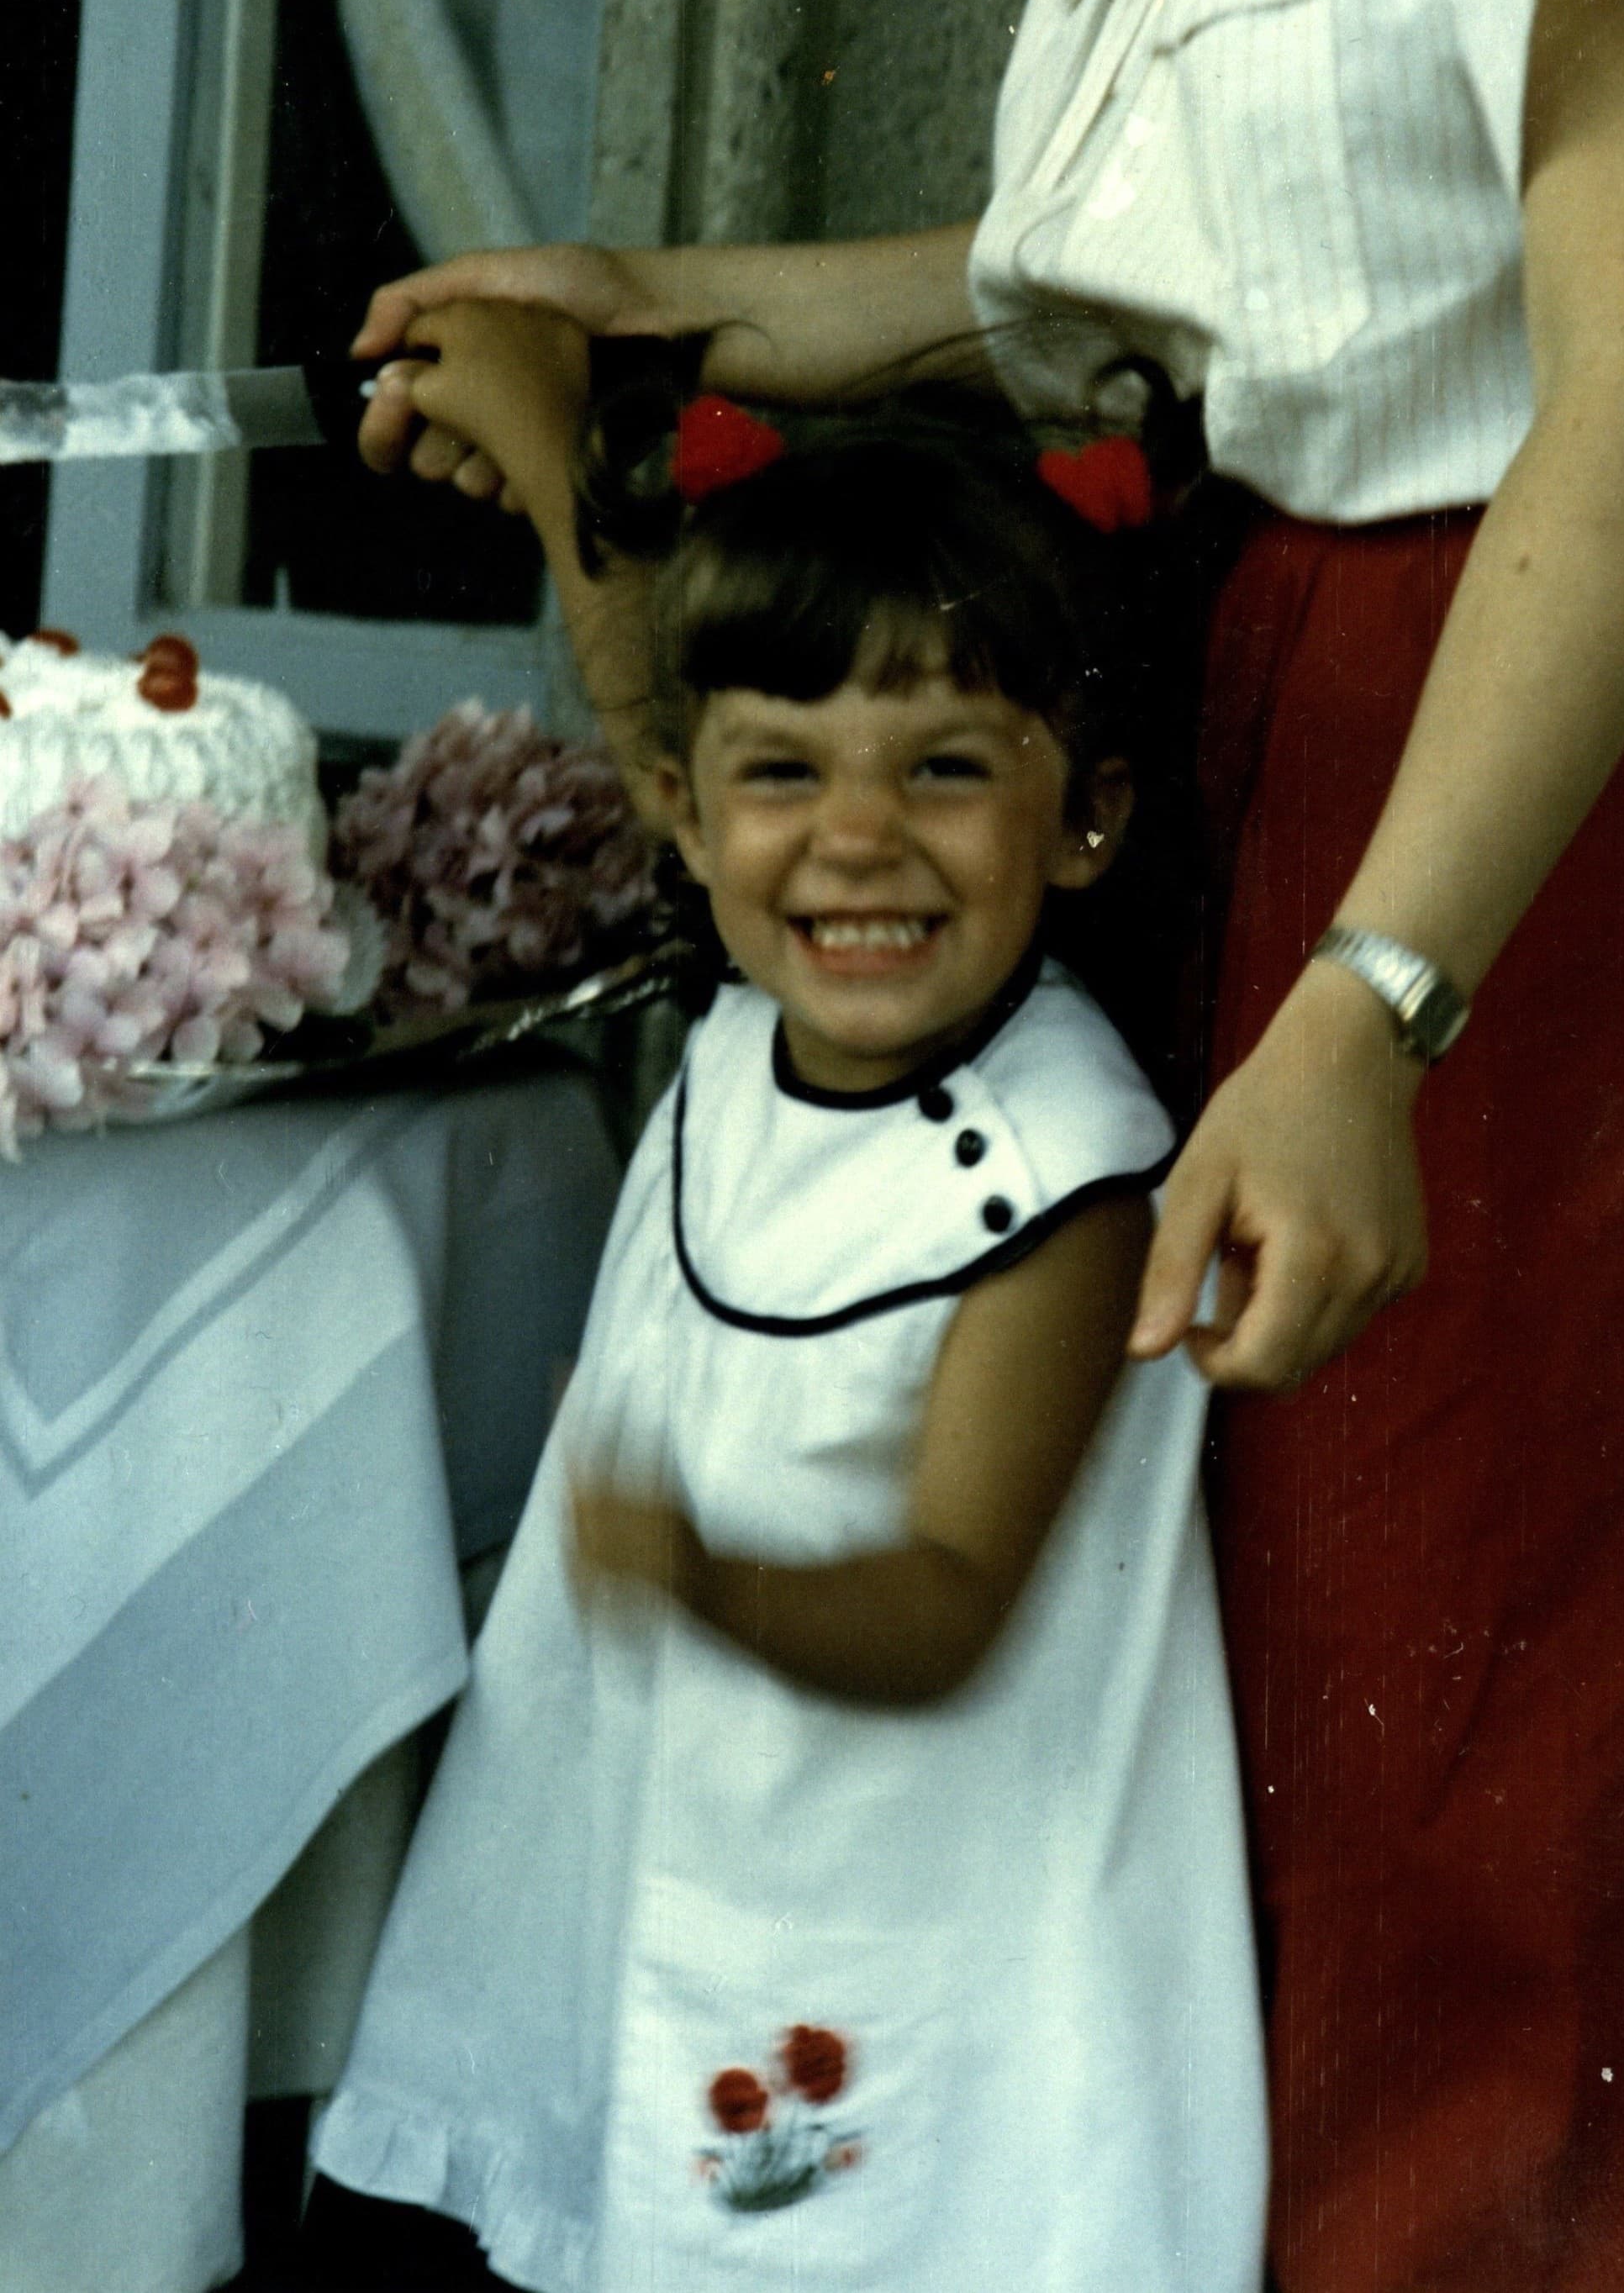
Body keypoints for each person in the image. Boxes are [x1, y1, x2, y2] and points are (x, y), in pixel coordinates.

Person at [343, 0, 1624, 2284]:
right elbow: (1246, 256)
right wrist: (668, 283)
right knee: (1242, 1741)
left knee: (1468, 1782)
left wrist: (1374, 1006)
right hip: (1259, 670)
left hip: (1520, 762)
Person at [312, 363, 1268, 2292]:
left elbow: (943, 1601)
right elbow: (653, 682)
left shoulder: (1056, 1187)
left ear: (1080, 819)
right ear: (684, 807)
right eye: (782, 774)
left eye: (941, 767)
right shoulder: (750, 1033)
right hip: (670, 1773)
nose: (853, 841)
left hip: (898, 1844)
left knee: (819, 2222)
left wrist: (678, 1562)